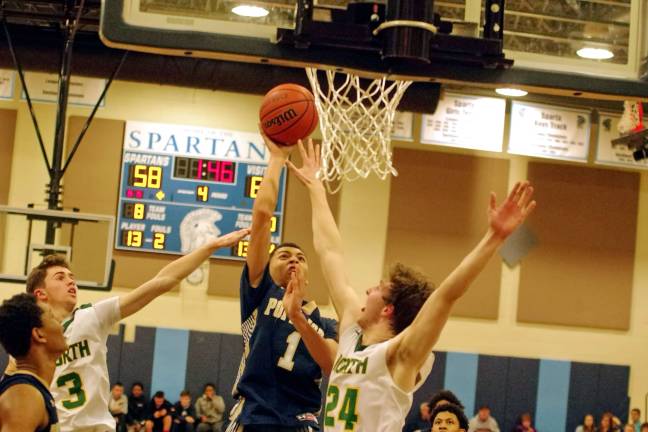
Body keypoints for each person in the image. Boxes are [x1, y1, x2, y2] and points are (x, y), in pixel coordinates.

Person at [284, 139, 535, 431]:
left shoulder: (400, 354)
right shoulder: (352, 333)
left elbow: (446, 296)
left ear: (389, 309)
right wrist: (316, 189)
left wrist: (493, 238)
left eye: (377, 288)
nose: (367, 291)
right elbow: (330, 253)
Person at [10, 228, 248, 432]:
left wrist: (211, 246)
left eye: (72, 277)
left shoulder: (91, 316)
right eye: (60, 278)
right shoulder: (29, 340)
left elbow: (162, 281)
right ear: (40, 293)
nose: (71, 282)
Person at [226, 130, 337, 431]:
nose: (293, 260)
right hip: (255, 414)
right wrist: (277, 159)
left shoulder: (327, 323)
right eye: (284, 255)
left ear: (309, 274)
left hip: (302, 420)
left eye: (300, 258)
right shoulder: (260, 293)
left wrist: (299, 316)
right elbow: (262, 216)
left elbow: (332, 365)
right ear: (267, 266)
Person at [0, 293, 67, 431]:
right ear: (39, 334)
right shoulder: (25, 394)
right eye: (53, 317)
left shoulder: (30, 388)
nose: (61, 325)